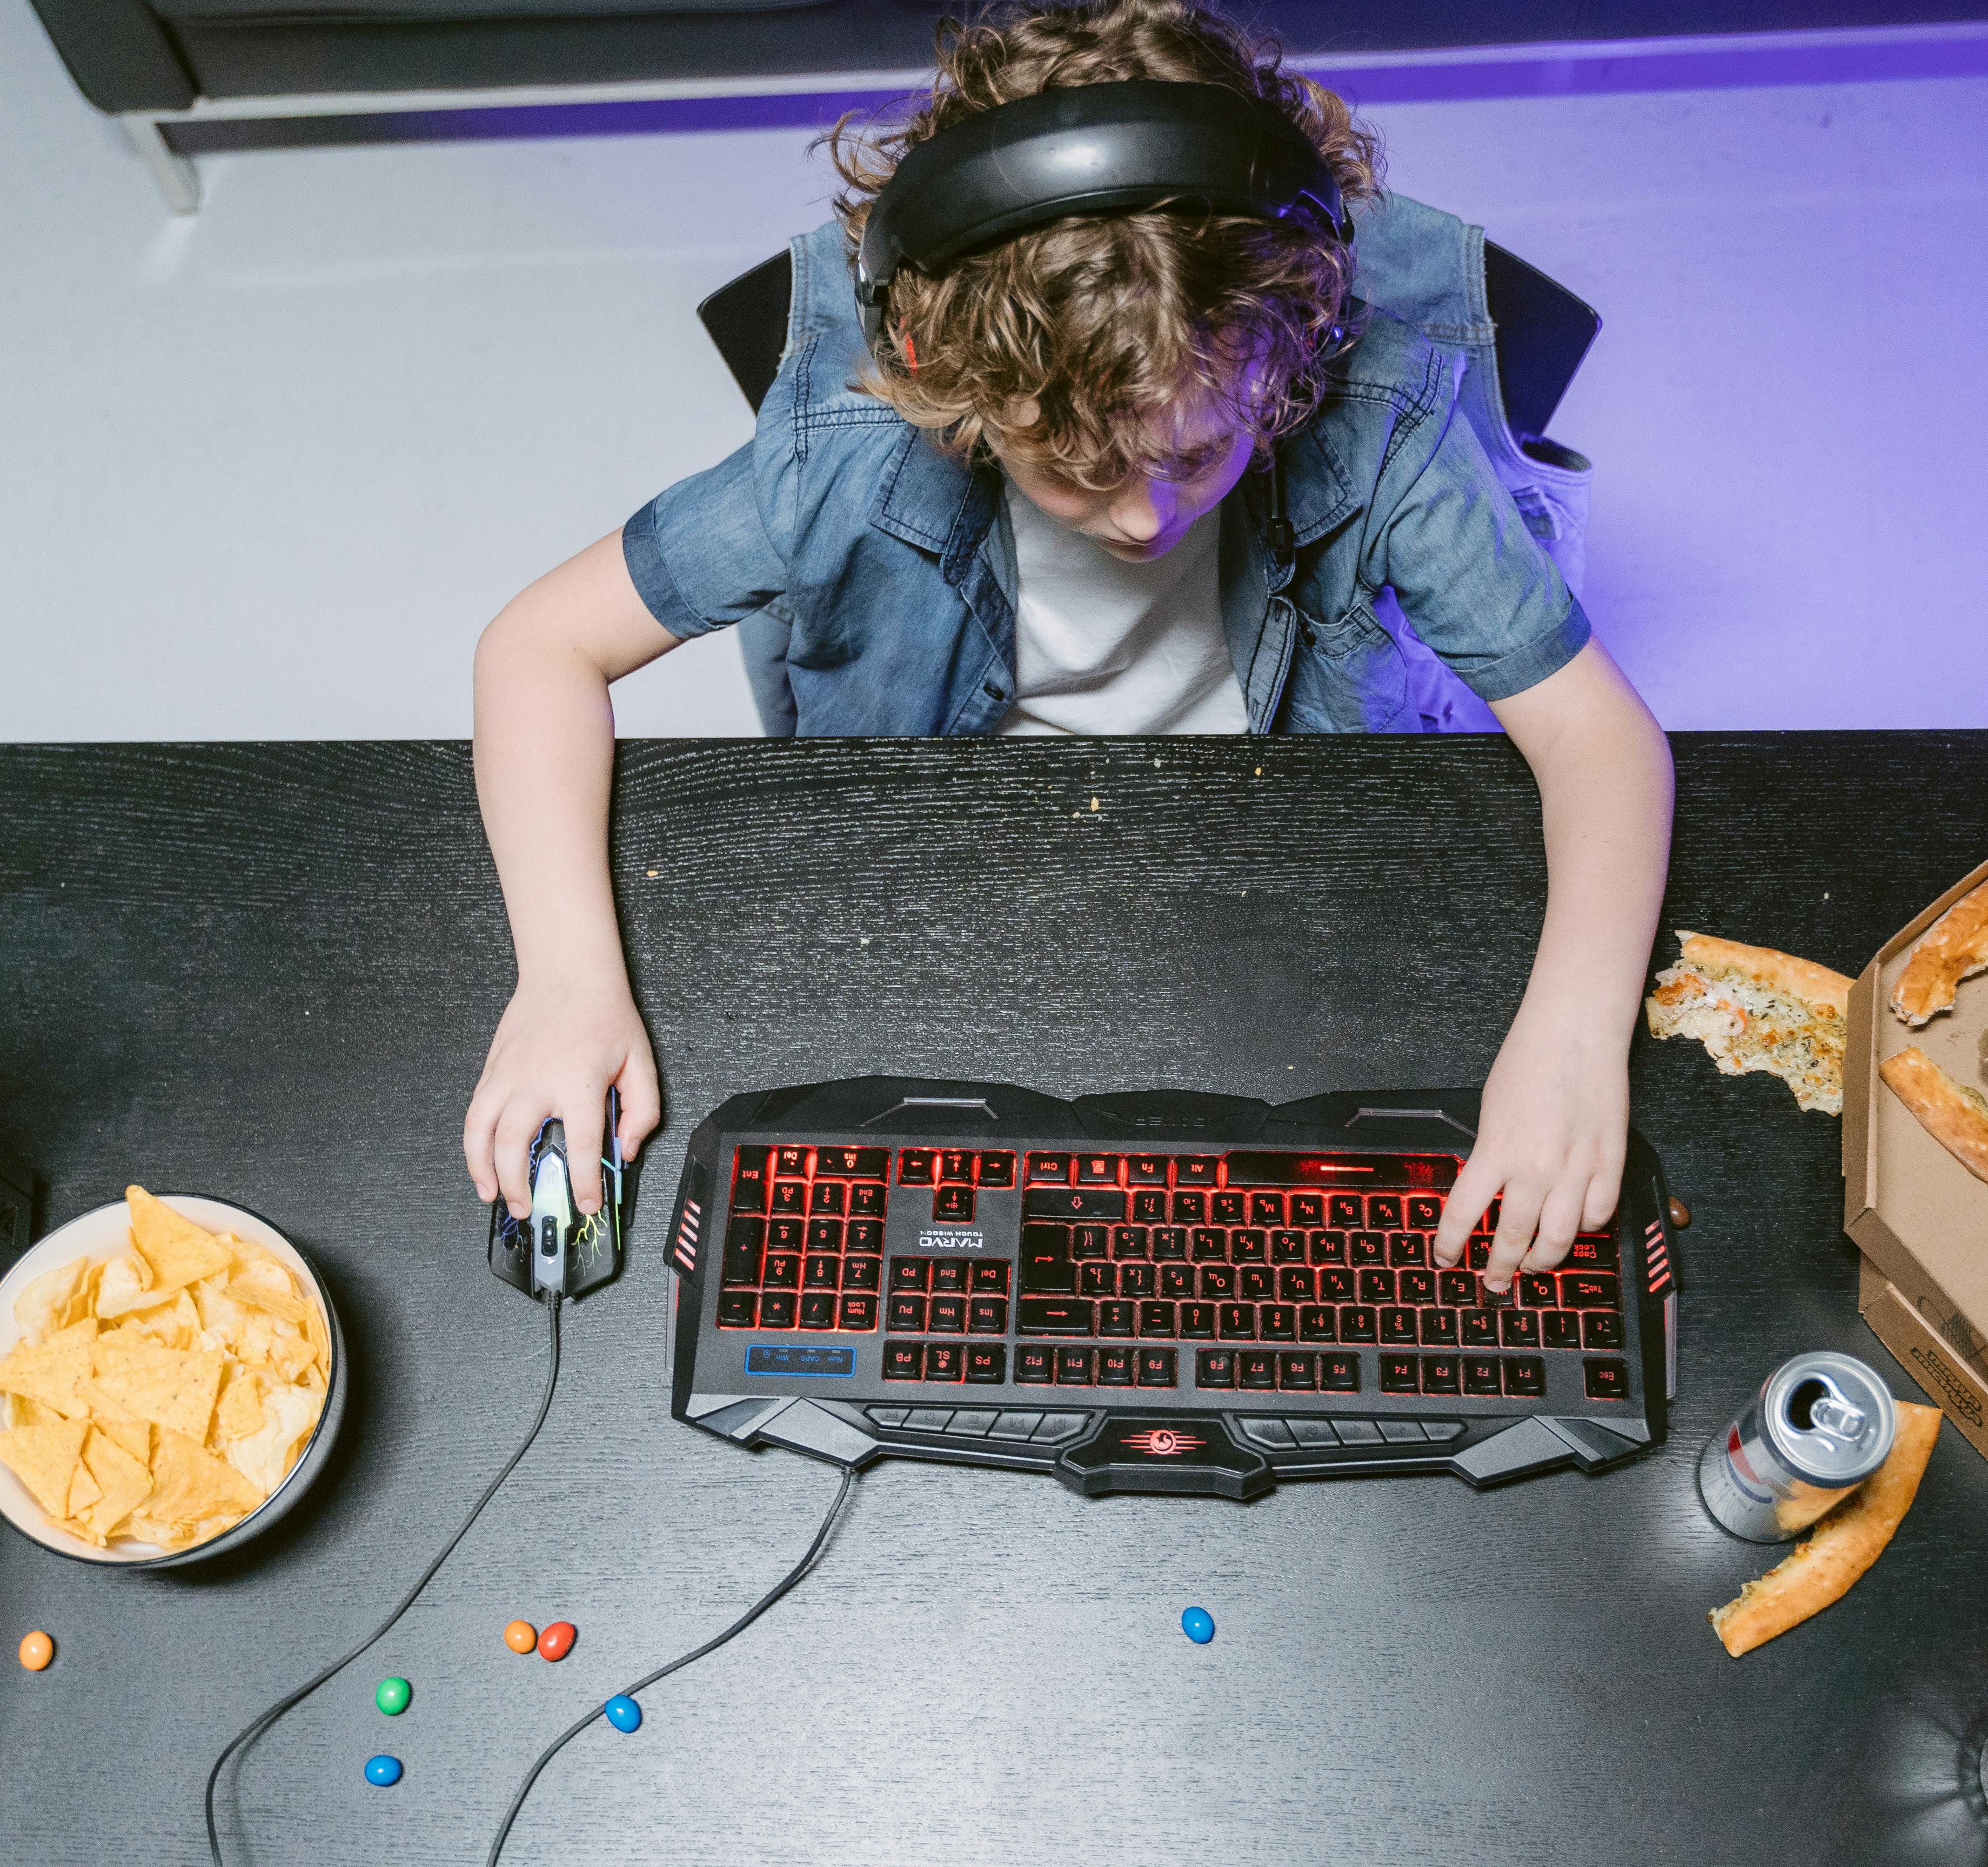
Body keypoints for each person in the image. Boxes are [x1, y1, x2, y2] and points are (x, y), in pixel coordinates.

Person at [461, 0, 1672, 1292]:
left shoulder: (1372, 418)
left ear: (1292, 344)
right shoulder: (849, 451)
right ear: (950, 379)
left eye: (1200, 451)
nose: (1145, 516)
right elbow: (537, 647)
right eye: (1074, 468)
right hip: (955, 831)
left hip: (1275, 824)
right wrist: (565, 983)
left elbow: (1600, 738)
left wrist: (1572, 1035)